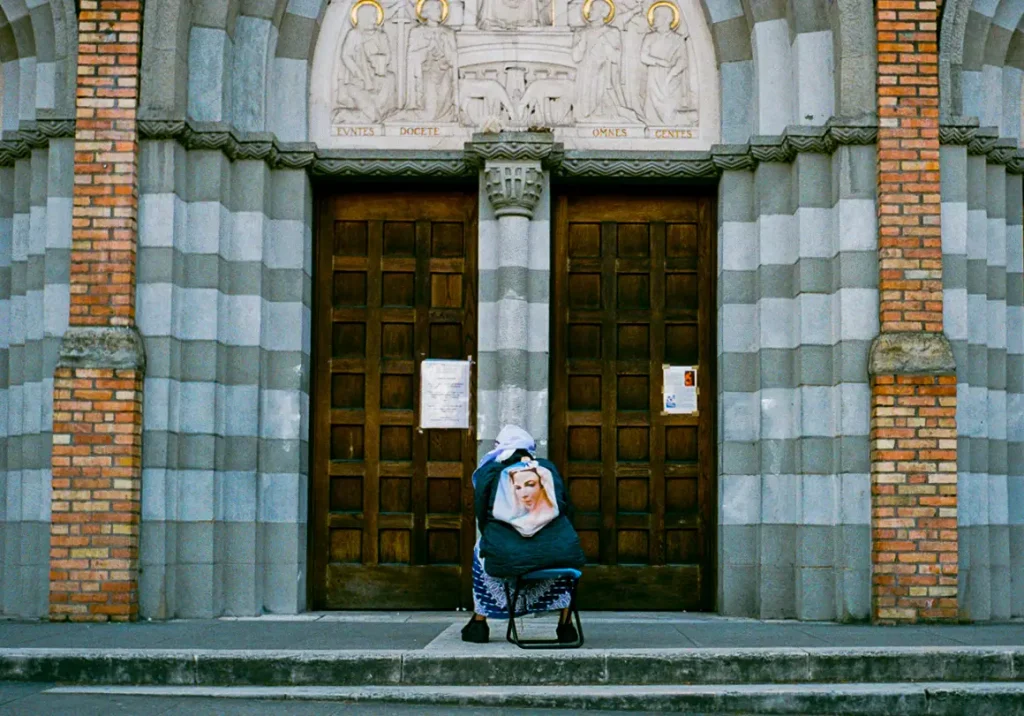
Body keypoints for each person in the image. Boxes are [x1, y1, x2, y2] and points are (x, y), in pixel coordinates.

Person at [462, 425, 586, 644]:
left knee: (480, 552)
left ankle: (479, 623)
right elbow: (565, 506)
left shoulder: (491, 471)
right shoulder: (547, 469)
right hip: (557, 552)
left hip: (507, 555)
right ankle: (566, 626)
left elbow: (481, 513)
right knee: (561, 559)